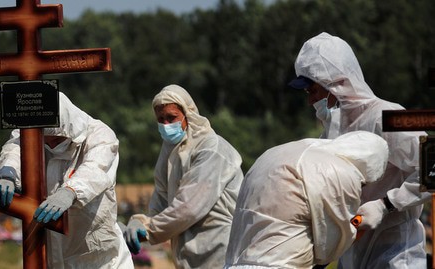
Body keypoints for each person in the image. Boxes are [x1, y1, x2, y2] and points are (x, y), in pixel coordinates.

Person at [290, 32, 431, 268]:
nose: (310, 100)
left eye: (313, 90)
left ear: (336, 83)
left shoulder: (388, 115)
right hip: (353, 253)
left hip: (396, 254)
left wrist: (386, 204)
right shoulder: (335, 129)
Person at [0, 92, 134, 269]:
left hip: (100, 260)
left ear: (68, 128)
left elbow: (96, 168)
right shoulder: (31, 132)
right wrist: (7, 173)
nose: (51, 144)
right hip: (54, 256)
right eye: (45, 139)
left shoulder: (100, 135)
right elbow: (15, 149)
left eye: (56, 138)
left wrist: (70, 191)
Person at [224, 131, 390, 268]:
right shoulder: (339, 171)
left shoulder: (276, 153)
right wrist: (358, 223)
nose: (361, 189)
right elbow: (328, 250)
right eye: (364, 184)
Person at [123, 84, 244, 269]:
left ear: (188, 115)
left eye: (171, 118)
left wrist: (148, 229)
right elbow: (161, 200)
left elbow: (189, 207)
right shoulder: (169, 155)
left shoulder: (211, 149)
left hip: (220, 252)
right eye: (160, 119)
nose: (166, 125)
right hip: (189, 258)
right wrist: (139, 221)